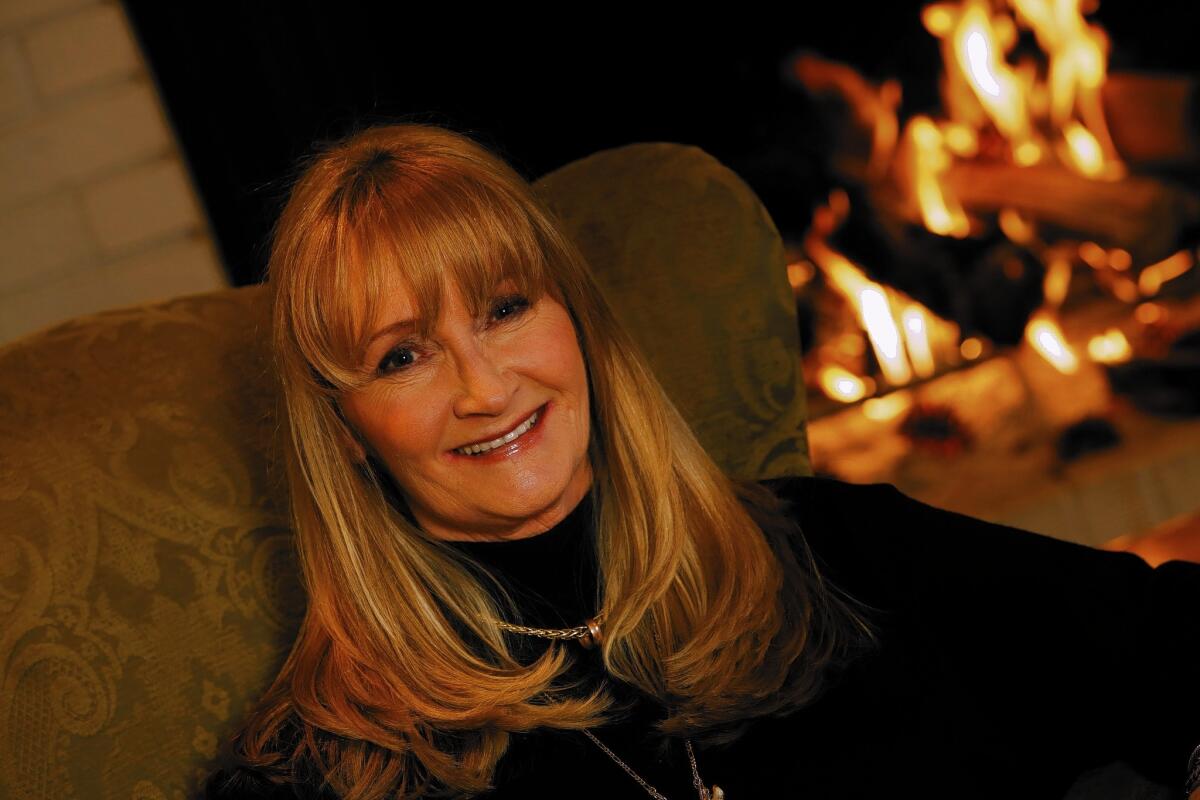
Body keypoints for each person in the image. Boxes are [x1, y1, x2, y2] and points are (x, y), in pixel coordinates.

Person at [201, 122, 1200, 800]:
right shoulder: (330, 767)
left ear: (576, 320)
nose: (486, 385)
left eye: (506, 307)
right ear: (343, 426)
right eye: (402, 355)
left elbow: (1164, 643)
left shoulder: (826, 549)